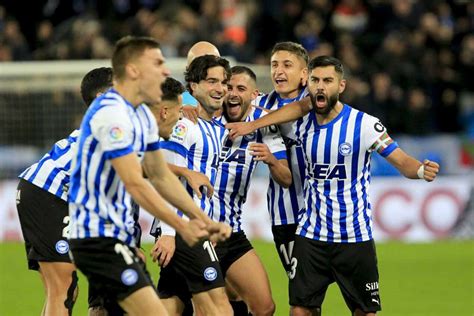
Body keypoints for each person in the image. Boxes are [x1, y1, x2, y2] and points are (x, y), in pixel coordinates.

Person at [227, 55, 440, 316]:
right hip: (311, 234)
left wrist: (420, 169)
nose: (320, 86)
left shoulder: (364, 125)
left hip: (353, 236)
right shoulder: (302, 124)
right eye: (315, 80)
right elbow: (290, 110)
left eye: (327, 81)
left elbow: (402, 161)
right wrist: (248, 123)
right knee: (300, 311)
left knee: (364, 312)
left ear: (341, 86)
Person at [68, 36, 231, 316]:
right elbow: (135, 182)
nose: (165, 71)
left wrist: (202, 221)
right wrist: (178, 227)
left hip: (117, 235)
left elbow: (161, 175)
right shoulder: (111, 114)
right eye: (157, 64)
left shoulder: (142, 115)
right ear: (134, 71)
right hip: (96, 237)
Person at [16, 66, 113, 316]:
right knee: (64, 288)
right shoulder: (107, 124)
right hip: (47, 193)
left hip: (45, 193)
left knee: (62, 290)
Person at [151, 54, 233, 316]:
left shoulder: (214, 128)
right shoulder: (184, 125)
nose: (219, 88)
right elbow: (165, 177)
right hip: (183, 226)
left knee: (172, 302)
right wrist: (168, 233)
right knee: (218, 304)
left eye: (223, 82)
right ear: (193, 87)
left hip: (191, 225)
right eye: (211, 81)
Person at [213, 65, 293, 315]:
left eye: (240, 88)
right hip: (197, 230)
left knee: (264, 307)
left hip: (230, 230)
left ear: (254, 94)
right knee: (208, 306)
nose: (233, 94)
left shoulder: (264, 126)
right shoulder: (205, 118)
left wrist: (270, 160)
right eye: (229, 88)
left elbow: (286, 178)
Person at [255, 42, 309, 279]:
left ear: (304, 74)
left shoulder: (319, 101)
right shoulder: (260, 104)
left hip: (324, 213)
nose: (278, 71)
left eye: (287, 65)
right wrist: (187, 105)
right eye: (274, 65)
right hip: (285, 213)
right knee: (302, 293)